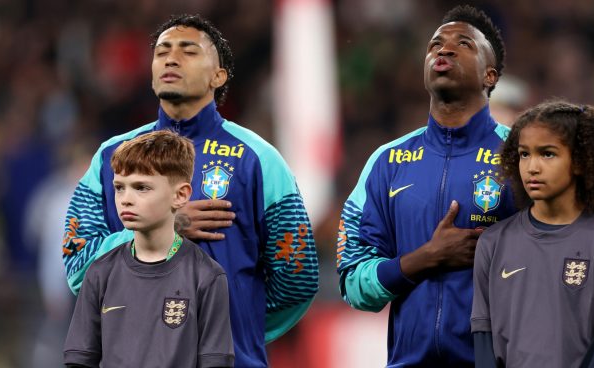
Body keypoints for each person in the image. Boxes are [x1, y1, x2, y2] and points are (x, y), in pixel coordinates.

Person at [62, 14, 319, 367]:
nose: (170, 58)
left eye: (189, 51)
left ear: (219, 75)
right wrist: (165, 228)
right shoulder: (110, 157)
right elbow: (78, 264)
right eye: (162, 51)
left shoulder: (259, 159)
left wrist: (236, 327)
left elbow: (298, 279)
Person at [336, 5, 517, 366]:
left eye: (463, 43)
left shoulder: (520, 156)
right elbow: (354, 282)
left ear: (490, 76)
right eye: (436, 43)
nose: (443, 49)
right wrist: (425, 258)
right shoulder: (386, 162)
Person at [471, 100, 594, 367]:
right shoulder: (493, 242)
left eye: (547, 153)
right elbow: (483, 339)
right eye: (524, 154)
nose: (532, 167)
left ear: (583, 162)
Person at [64, 130, 234, 368]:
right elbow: (80, 361)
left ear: (180, 195)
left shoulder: (206, 276)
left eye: (141, 187)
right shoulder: (100, 273)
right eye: (119, 187)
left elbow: (215, 362)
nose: (126, 199)